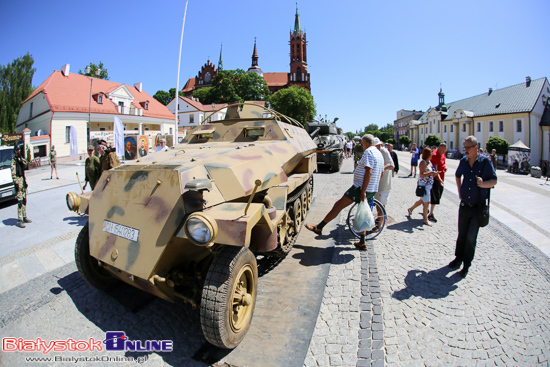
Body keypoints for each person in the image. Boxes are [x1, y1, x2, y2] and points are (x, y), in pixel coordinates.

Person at [305, 134, 383, 250]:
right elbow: (380, 173)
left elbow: (369, 172)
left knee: (338, 205)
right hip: (372, 189)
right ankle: (362, 242)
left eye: (362, 143)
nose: (362, 145)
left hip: (360, 188)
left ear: (365, 142)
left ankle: (319, 227)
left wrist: (363, 192)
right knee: (364, 213)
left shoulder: (369, 152)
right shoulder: (378, 153)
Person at [449, 136, 497, 278]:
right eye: (464, 148)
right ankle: (458, 259)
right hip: (464, 205)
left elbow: (494, 180)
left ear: (476, 148)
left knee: (471, 237)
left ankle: (466, 265)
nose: (465, 150)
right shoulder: (463, 161)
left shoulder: (485, 162)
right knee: (462, 235)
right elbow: (457, 175)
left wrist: (484, 184)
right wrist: (459, 191)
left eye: (468, 148)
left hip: (478, 207)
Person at [407, 147, 438, 226]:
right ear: (427, 154)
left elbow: (431, 171)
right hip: (424, 185)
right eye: (430, 154)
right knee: (426, 203)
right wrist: (431, 172)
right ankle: (425, 219)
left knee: (422, 201)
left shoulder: (429, 162)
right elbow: (422, 174)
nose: (432, 155)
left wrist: (435, 173)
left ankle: (410, 209)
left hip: (429, 185)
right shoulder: (423, 163)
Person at [11, 144, 32, 228]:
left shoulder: (20, 159)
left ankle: (25, 217)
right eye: (17, 150)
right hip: (18, 182)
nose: (19, 151)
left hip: (22, 182)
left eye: (19, 150)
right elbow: (13, 173)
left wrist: (21, 158)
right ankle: (20, 220)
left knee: (24, 200)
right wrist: (15, 183)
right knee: (19, 202)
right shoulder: (14, 160)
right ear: (15, 151)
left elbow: (26, 164)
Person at [428, 143, 448, 223]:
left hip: (441, 178)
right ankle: (431, 214)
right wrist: (440, 181)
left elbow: (444, 161)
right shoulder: (435, 155)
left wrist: (445, 166)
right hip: (435, 179)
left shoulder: (443, 154)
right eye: (443, 150)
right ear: (439, 148)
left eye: (445, 150)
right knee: (435, 197)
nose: (444, 152)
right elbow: (435, 171)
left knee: (434, 197)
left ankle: (423, 206)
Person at [374, 139, 394, 208]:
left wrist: (381, 168)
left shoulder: (384, 151)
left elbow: (391, 164)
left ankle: (381, 218)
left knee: (381, 203)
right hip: (377, 183)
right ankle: (380, 217)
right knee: (377, 202)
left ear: (379, 145)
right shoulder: (375, 151)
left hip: (384, 183)